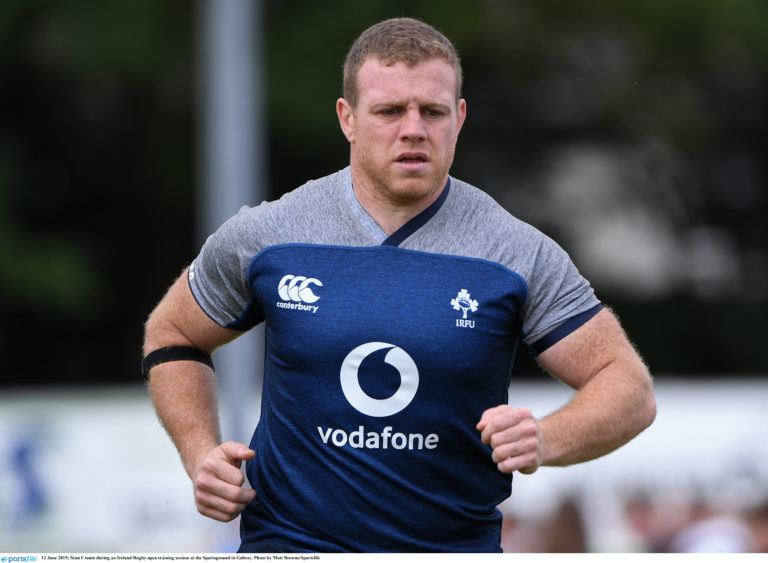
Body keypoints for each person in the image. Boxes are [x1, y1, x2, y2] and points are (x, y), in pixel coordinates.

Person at [143, 17, 656, 553]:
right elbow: (173, 334)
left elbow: (629, 389)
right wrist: (199, 452)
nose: (413, 129)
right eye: (389, 111)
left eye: (432, 112)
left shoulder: (515, 252)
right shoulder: (269, 234)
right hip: (289, 543)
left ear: (458, 118)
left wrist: (546, 439)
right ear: (348, 119)